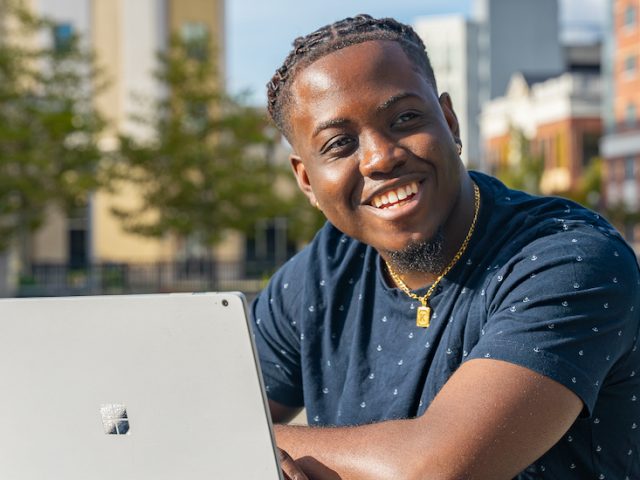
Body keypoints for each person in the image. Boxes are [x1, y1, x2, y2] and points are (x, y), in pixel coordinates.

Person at [252, 14, 640, 480]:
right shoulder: (322, 270)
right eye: (339, 144)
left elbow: (436, 470)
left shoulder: (568, 258)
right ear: (306, 180)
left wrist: (251, 439)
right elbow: (189, 409)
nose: (380, 157)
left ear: (450, 123)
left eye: (404, 119)